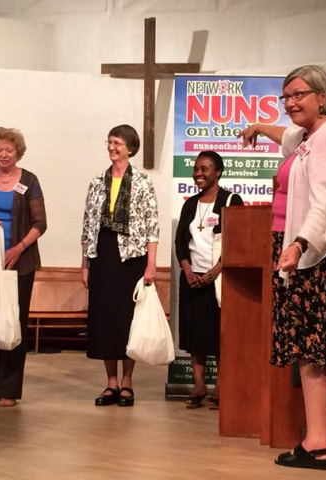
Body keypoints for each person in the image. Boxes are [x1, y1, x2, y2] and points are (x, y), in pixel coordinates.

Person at [239, 65, 326, 470]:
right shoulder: (310, 136)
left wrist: (297, 244)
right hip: (305, 252)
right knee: (320, 353)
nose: (290, 103)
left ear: (322, 96)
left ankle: (316, 444)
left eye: (298, 95)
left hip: (312, 256)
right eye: (285, 96)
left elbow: (325, 203)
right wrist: (258, 125)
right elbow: (286, 135)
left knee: (312, 353)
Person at [81, 124, 159, 407]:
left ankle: (127, 382)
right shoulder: (96, 182)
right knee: (104, 319)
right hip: (102, 255)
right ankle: (110, 382)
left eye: (118, 143)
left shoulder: (142, 181)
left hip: (131, 257)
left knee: (127, 319)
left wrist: (151, 265)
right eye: (110, 142)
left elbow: (152, 226)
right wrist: (85, 264)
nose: (112, 147)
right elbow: (88, 225)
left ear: (130, 149)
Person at [0, 127, 47, 407]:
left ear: (18, 151)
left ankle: (10, 389)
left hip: (20, 262)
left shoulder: (28, 181)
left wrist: (19, 247)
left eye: (9, 149)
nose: (4, 154)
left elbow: (40, 223)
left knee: (14, 321)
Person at [174, 151, 243, 410]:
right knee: (195, 335)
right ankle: (199, 384)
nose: (198, 174)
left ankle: (221, 388)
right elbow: (181, 241)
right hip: (192, 279)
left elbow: (238, 243)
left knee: (219, 336)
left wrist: (213, 273)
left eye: (204, 169)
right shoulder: (190, 204)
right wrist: (188, 270)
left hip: (219, 280)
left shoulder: (231, 200)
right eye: (195, 169)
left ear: (218, 172)